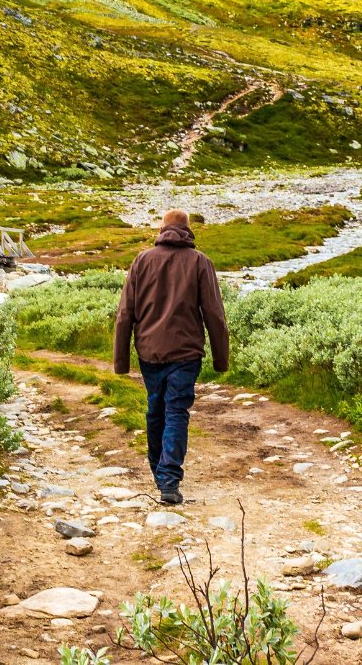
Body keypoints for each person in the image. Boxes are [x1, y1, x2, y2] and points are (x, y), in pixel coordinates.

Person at [113, 208, 230, 505]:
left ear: (162, 228)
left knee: (156, 410)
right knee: (176, 411)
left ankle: (160, 472)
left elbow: (125, 313)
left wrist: (121, 362)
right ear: (189, 230)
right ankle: (168, 477)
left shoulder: (142, 260)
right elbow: (215, 315)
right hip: (187, 353)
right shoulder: (201, 262)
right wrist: (221, 359)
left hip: (149, 352)